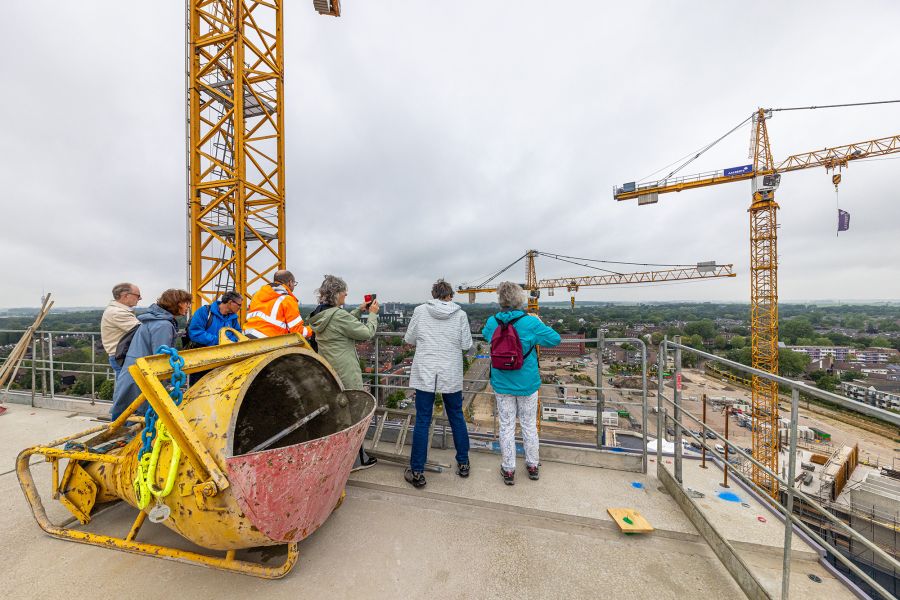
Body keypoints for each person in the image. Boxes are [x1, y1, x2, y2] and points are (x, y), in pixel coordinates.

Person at [482, 281, 560, 485]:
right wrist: (538, 322)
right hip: (527, 384)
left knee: (506, 426)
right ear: (520, 300)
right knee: (528, 425)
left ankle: (508, 469)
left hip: (502, 383)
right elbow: (555, 339)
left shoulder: (492, 322)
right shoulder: (530, 322)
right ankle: (532, 465)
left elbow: (485, 336)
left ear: (501, 300)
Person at [402, 279, 473, 488]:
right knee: (456, 417)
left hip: (426, 371)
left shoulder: (420, 311)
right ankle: (463, 463)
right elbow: (467, 344)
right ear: (450, 295)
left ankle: (417, 470)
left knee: (423, 420)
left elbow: (409, 338)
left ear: (434, 294)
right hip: (450, 372)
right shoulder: (460, 315)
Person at [307, 274, 379, 470]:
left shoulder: (318, 314)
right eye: (343, 291)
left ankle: (336, 458)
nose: (346, 294)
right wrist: (372, 314)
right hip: (346, 369)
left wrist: (357, 310)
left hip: (328, 369)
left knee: (336, 414)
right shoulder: (338, 315)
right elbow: (366, 333)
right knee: (354, 412)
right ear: (336, 294)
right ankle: (356, 460)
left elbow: (339, 322)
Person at [109, 289, 192, 421]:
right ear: (176, 303)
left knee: (124, 417)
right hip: (142, 379)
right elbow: (160, 359)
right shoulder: (163, 325)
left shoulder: (154, 320)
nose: (188, 306)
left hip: (133, 375)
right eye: (186, 302)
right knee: (137, 421)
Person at [186, 290, 243, 385]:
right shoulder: (204, 312)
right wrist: (220, 341)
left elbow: (238, 335)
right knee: (198, 388)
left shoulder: (233, 318)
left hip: (224, 360)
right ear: (230, 302)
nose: (240, 308)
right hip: (202, 360)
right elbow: (195, 333)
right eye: (239, 305)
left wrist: (228, 341)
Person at [243, 270, 311, 339]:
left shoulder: (257, 296)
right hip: (269, 341)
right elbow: (298, 331)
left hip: (247, 338)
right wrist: (312, 330)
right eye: (294, 283)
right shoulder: (287, 299)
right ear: (290, 282)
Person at [100, 282, 141, 377]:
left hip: (121, 355)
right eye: (138, 295)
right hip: (122, 356)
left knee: (124, 388)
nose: (140, 298)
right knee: (126, 390)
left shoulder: (116, 310)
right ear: (126, 295)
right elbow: (142, 331)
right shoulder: (117, 312)